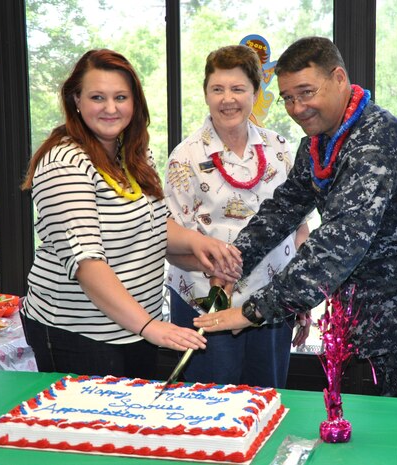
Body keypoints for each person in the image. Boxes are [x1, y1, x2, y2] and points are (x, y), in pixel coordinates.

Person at [195, 36, 397, 400]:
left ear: (339, 78)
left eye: (306, 92)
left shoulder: (375, 142)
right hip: (375, 312)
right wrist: (232, 264)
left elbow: (338, 242)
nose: (297, 107)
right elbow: (282, 210)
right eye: (287, 98)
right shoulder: (318, 143)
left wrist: (253, 311)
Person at [19, 49, 241, 380]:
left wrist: (198, 246)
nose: (111, 108)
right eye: (98, 97)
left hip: (136, 328)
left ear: (134, 102)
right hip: (80, 335)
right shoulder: (64, 163)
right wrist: (151, 327)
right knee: (90, 430)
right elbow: (86, 264)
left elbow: (154, 226)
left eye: (120, 97)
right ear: (75, 100)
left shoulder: (133, 155)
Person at [164, 45, 311, 388]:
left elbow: (300, 227)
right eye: (217, 89)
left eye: (238, 88)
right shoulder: (185, 156)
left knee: (266, 399)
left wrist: (301, 294)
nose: (227, 99)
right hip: (205, 300)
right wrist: (212, 264)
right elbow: (167, 236)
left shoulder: (280, 149)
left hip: (272, 302)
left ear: (255, 93)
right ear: (205, 94)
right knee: (209, 407)